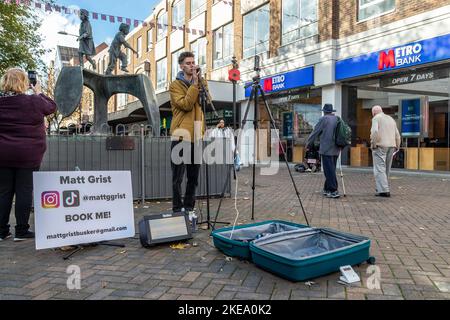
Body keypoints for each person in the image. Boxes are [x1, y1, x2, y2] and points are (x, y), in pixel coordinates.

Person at [0, 68, 57, 241]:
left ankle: (2, 231)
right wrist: (39, 92)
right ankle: (22, 231)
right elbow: (52, 107)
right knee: (24, 191)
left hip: (3, 154)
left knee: (3, 192)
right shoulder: (33, 101)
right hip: (28, 155)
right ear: (25, 82)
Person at [169, 52, 206, 219]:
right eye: (188, 63)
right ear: (181, 66)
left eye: (193, 62)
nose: (192, 65)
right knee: (178, 177)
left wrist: (201, 83)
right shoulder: (175, 85)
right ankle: (177, 210)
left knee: (193, 177)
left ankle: (189, 208)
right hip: (181, 136)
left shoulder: (199, 83)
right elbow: (185, 104)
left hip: (196, 136)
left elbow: (208, 101)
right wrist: (195, 85)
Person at [306, 104, 341, 199]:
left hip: (326, 149)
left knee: (328, 170)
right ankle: (327, 188)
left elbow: (315, 132)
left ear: (324, 111)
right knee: (331, 169)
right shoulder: (337, 118)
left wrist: (308, 143)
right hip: (336, 148)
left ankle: (333, 190)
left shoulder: (323, 119)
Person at [370, 105, 401, 198]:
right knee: (387, 168)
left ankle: (383, 190)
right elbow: (397, 135)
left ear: (374, 112)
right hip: (391, 145)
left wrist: (373, 144)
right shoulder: (391, 119)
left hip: (380, 145)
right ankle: (382, 187)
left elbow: (375, 131)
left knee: (379, 168)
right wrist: (397, 146)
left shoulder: (376, 118)